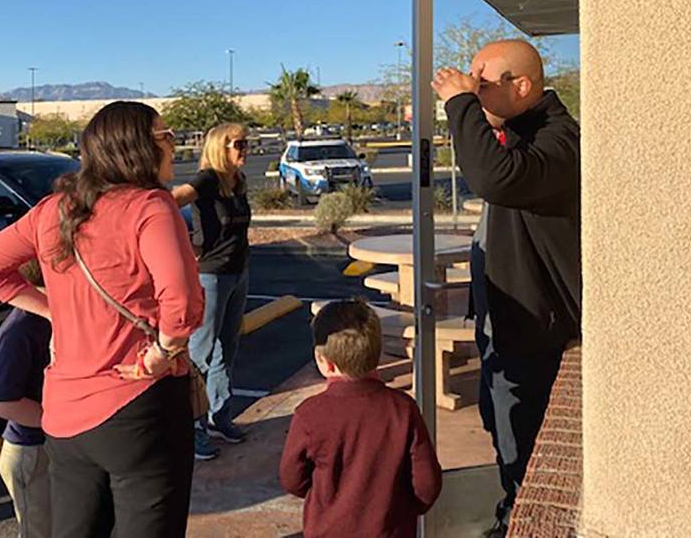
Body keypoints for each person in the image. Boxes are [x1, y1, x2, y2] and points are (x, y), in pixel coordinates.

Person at [0, 101, 204, 538]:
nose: (175, 145)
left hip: (65, 414)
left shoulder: (52, 210)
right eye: (166, 136)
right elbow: (182, 302)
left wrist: (52, 310)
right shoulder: (150, 206)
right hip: (140, 403)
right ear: (136, 147)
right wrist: (161, 353)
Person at [432, 39, 581, 538]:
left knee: (525, 442)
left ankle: (521, 520)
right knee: (505, 432)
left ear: (521, 86)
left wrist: (459, 104)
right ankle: (511, 508)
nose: (473, 89)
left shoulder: (560, 141)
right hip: (506, 325)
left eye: (482, 81)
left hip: (538, 333)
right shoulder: (523, 133)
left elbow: (495, 180)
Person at [279, 299, 442, 538]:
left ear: (324, 361)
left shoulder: (310, 414)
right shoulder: (403, 409)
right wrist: (404, 511)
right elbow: (427, 484)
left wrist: (326, 496)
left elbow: (292, 478)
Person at [172, 123, 251, 461]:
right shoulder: (207, 180)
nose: (245, 149)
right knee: (200, 354)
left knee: (226, 351)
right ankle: (192, 428)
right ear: (221, 147)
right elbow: (171, 202)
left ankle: (220, 417)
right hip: (211, 277)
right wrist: (181, 244)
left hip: (239, 273)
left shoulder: (239, 181)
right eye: (239, 144)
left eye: (247, 143)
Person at [0, 302, 52, 538]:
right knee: (39, 531)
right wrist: (56, 421)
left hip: (52, 445)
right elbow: (4, 402)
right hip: (30, 451)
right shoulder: (20, 328)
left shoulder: (56, 314)